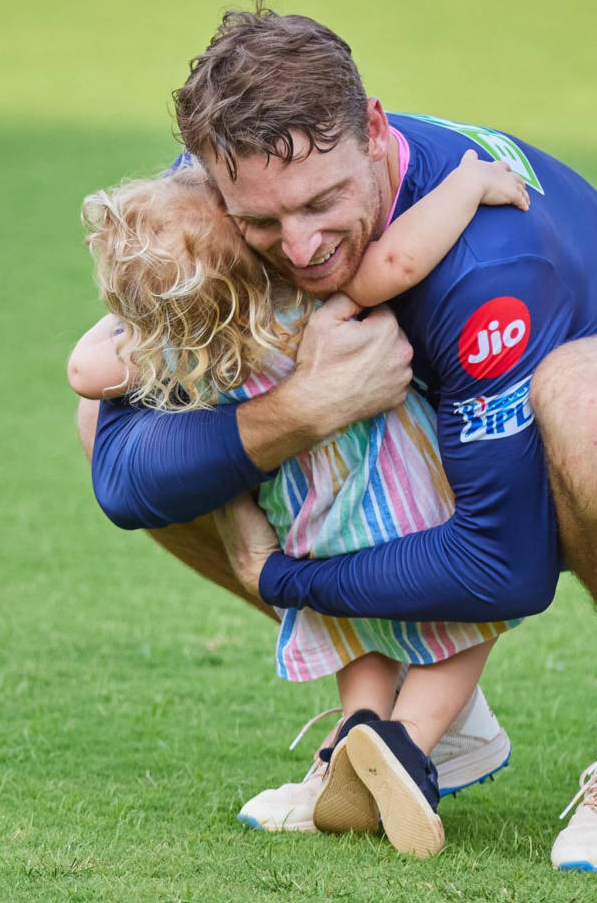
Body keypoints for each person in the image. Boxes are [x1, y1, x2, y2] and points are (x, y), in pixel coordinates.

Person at [77, 3, 597, 872]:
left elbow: (499, 567)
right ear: (214, 174)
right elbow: (120, 466)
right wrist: (303, 407)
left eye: (324, 202)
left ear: (372, 129)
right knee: (170, 408)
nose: (299, 245)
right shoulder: (226, 187)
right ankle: (409, 725)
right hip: (444, 449)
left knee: (588, 399)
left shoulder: (489, 267)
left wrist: (283, 575)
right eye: (262, 222)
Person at [71, 152, 532, 857]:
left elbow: (84, 370)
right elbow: (401, 262)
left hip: (314, 521)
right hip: (404, 496)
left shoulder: (196, 349)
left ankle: (359, 733)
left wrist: (147, 317)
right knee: (457, 627)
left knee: (350, 627)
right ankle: (410, 747)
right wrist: (468, 183)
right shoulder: (304, 304)